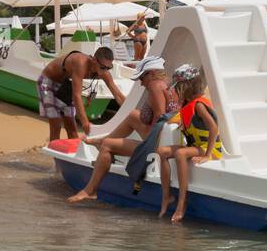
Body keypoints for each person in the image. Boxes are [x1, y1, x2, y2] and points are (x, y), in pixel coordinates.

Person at [67, 55, 172, 203]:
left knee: (107, 146)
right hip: (165, 136)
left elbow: (161, 117)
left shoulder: (154, 87)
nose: (141, 84)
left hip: (156, 143)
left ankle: (90, 190)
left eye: (142, 79)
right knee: (133, 115)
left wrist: (148, 144)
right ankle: (102, 139)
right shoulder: (166, 83)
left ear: (152, 73)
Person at [157, 64, 223, 222]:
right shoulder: (188, 105)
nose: (176, 91)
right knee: (162, 152)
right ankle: (166, 196)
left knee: (180, 153)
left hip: (209, 149)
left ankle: (182, 201)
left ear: (186, 87)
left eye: (178, 87)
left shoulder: (199, 105)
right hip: (195, 147)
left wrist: (207, 155)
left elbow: (214, 129)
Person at [40, 46, 127, 142]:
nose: (105, 71)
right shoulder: (81, 63)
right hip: (49, 81)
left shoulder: (104, 72)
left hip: (65, 85)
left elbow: (118, 95)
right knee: (56, 125)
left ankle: (72, 153)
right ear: (94, 60)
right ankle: (54, 149)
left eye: (109, 67)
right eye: (102, 67)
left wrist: (131, 111)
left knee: (72, 127)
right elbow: (76, 95)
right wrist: (85, 122)